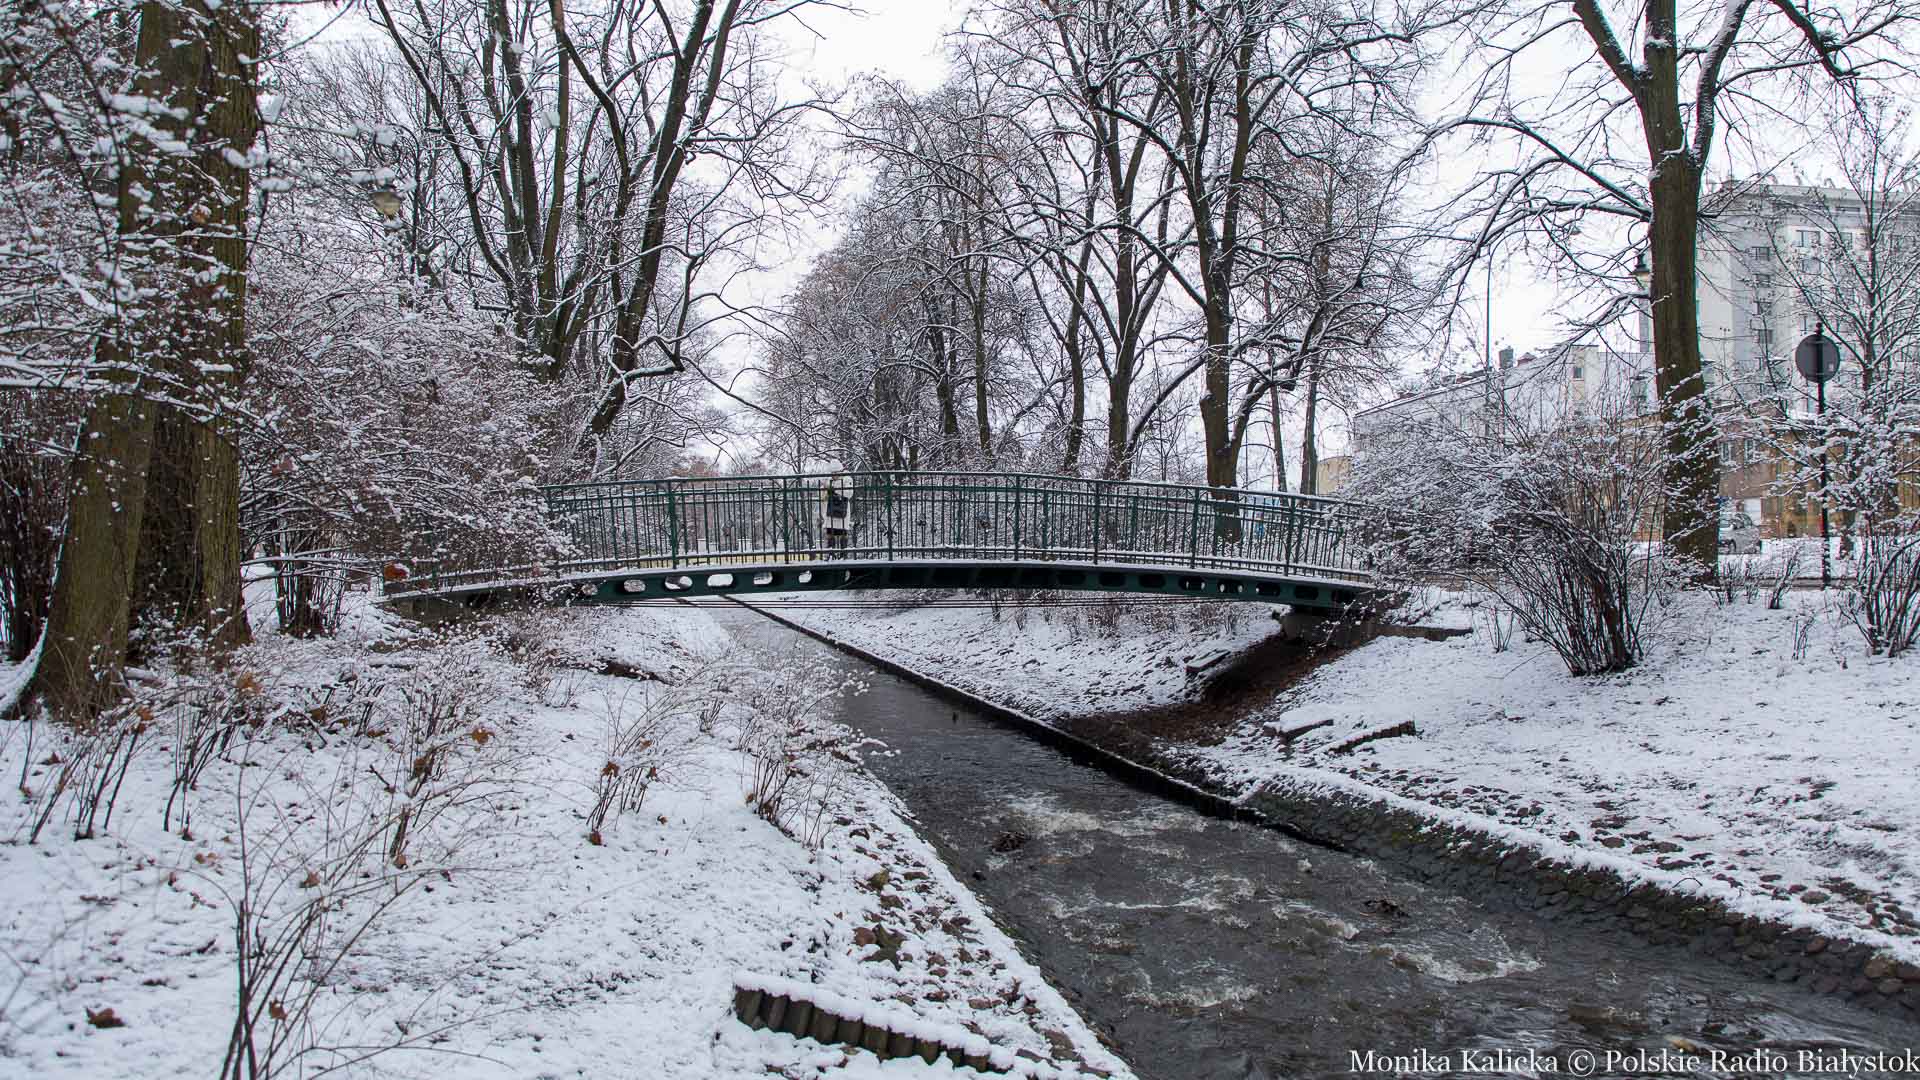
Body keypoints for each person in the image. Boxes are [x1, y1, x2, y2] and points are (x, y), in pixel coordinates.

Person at [820, 472, 853, 554]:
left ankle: (843, 556)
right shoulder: (828, 480)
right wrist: (825, 490)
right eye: (832, 473)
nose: (833, 475)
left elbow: (849, 493)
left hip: (842, 511)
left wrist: (833, 489)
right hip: (830, 512)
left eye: (835, 472)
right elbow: (823, 497)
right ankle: (831, 555)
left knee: (843, 535)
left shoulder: (846, 479)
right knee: (830, 534)